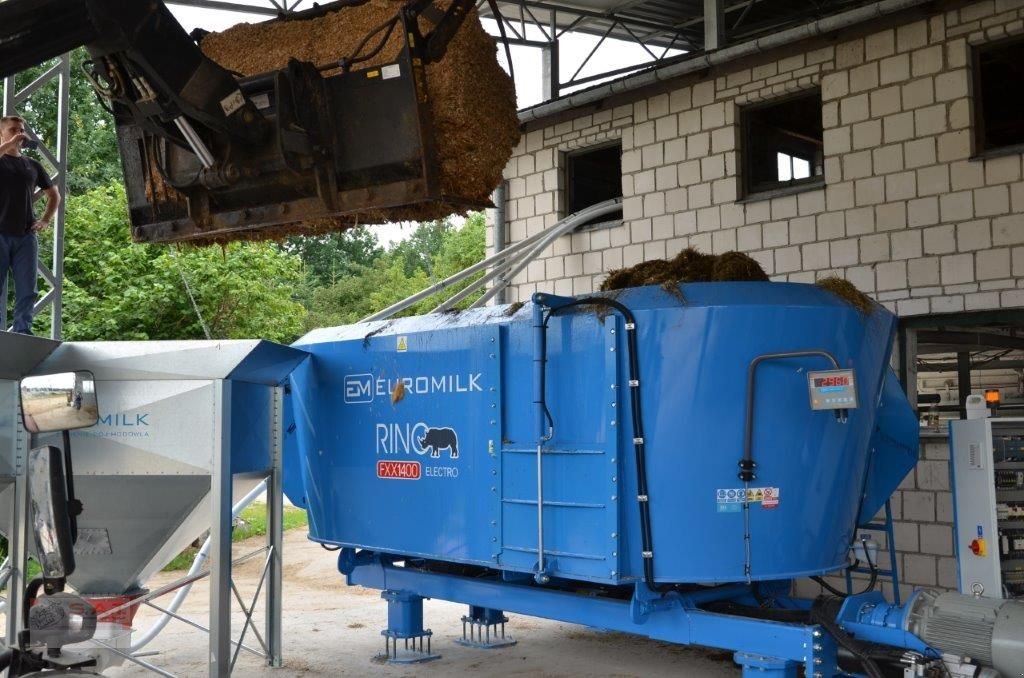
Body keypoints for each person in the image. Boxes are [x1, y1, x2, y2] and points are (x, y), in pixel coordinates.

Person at [0, 115, 60, 335]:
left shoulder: (32, 165)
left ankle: (22, 331)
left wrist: (45, 220)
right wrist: (8, 144)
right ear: (1, 133)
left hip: (25, 235)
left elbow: (54, 195)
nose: (19, 133)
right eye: (13, 129)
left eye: (21, 129)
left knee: (27, 289)